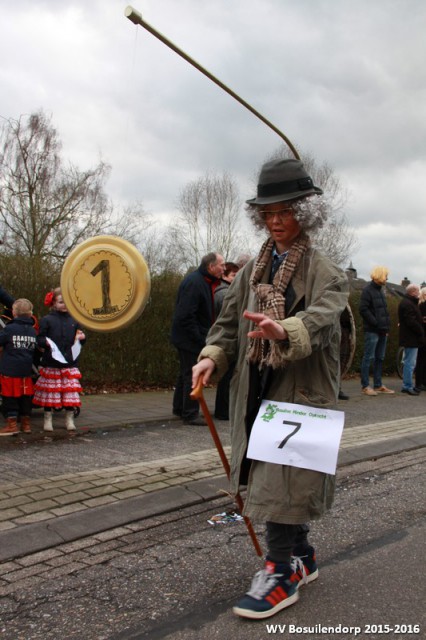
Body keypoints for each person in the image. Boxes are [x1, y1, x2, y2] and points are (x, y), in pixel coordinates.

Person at [192, 158, 349, 620]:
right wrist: (211, 357)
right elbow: (225, 326)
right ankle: (302, 556)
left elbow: (322, 320)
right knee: (273, 474)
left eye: (285, 212)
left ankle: (281, 570)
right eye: (268, 214)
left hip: (302, 392)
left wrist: (286, 330)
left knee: (283, 478)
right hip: (256, 385)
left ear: (306, 214)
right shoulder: (251, 270)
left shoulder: (327, 272)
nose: (276, 222)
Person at [171, 252, 225, 425]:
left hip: (187, 336)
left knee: (185, 373)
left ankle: (179, 408)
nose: (224, 268)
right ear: (211, 266)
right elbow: (186, 315)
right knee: (192, 374)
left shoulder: (203, 281)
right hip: (189, 339)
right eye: (221, 265)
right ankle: (190, 413)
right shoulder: (195, 283)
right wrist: (201, 338)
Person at [33, 288, 86, 431]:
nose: (64, 305)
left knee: (69, 393)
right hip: (51, 362)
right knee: (51, 392)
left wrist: (82, 338)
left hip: (69, 363)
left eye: (67, 302)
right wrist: (45, 342)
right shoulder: (47, 320)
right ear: (54, 303)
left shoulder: (75, 320)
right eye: (61, 302)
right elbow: (39, 339)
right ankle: (47, 420)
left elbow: (80, 338)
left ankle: (69, 420)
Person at [0, 299, 37, 436]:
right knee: (25, 397)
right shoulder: (33, 331)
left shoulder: (9, 329)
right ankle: (26, 425)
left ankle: (12, 425)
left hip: (10, 370)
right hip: (26, 370)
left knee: (9, 397)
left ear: (14, 313)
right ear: (30, 313)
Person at [359, 266, 395, 396]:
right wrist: (376, 323)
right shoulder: (367, 291)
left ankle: (378, 385)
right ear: (380, 275)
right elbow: (363, 309)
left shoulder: (381, 291)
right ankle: (365, 386)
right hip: (372, 330)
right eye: (386, 275)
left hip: (382, 330)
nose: (387, 278)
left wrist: (385, 327)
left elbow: (384, 312)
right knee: (368, 357)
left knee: (380, 357)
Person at [213, 262, 240, 420]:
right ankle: (223, 411)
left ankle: (223, 409)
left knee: (227, 377)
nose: (236, 278)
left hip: (226, 338)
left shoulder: (223, 291)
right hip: (227, 339)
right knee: (226, 377)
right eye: (233, 275)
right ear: (225, 276)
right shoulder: (225, 294)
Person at [398, 283, 424, 395]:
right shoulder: (408, 304)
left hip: (410, 337)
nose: (419, 293)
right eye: (418, 291)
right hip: (411, 338)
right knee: (410, 362)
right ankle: (407, 386)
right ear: (413, 292)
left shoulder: (408, 302)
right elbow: (411, 321)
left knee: (410, 362)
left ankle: (407, 385)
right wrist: (420, 330)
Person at [338, 304, 356, 400]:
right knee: (333, 361)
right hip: (334, 330)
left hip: (344, 330)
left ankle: (337, 388)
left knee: (342, 360)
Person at [414, 287, 426, 391]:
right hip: (423, 336)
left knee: (421, 360)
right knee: (421, 360)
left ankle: (421, 381)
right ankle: (420, 382)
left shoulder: (419, 305)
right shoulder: (422, 305)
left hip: (422, 336)